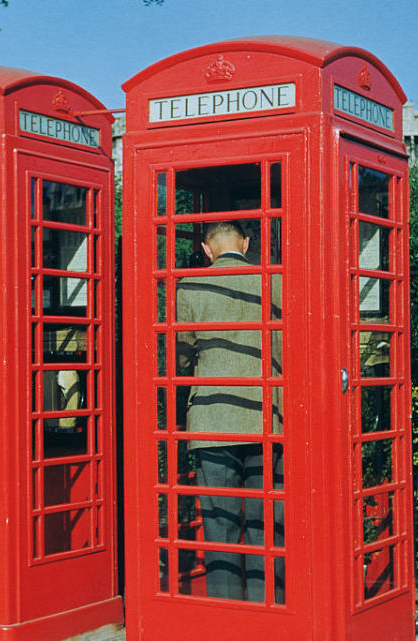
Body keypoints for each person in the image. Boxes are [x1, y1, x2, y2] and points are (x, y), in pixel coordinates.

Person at [176, 221, 281, 602]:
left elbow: (180, 355)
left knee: (219, 529)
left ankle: (225, 616)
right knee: (263, 525)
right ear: (247, 243)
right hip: (264, 418)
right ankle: (266, 608)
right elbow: (285, 354)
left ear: (206, 249)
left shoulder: (189, 285)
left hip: (212, 420)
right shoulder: (273, 281)